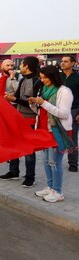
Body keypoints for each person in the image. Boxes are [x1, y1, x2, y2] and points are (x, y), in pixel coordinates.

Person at [29, 65, 74, 203]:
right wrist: (34, 103)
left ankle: (58, 191)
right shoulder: (46, 90)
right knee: (46, 162)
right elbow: (41, 111)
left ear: (52, 77)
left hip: (58, 132)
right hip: (44, 130)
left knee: (55, 163)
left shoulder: (64, 91)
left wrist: (43, 103)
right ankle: (50, 187)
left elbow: (64, 114)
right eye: (41, 78)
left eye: (44, 78)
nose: (42, 81)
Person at [0, 56, 42, 187]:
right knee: (14, 144)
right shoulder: (23, 80)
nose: (19, 67)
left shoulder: (37, 81)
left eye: (21, 64)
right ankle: (13, 171)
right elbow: (17, 97)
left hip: (30, 119)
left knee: (29, 149)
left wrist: (14, 99)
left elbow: (32, 103)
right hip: (18, 117)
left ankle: (30, 176)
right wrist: (9, 98)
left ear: (27, 66)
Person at [60, 55, 79, 172]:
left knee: (72, 138)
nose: (63, 63)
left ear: (73, 63)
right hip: (58, 110)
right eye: (62, 61)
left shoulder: (77, 78)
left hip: (73, 110)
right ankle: (55, 160)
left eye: (66, 61)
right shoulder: (58, 77)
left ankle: (73, 163)